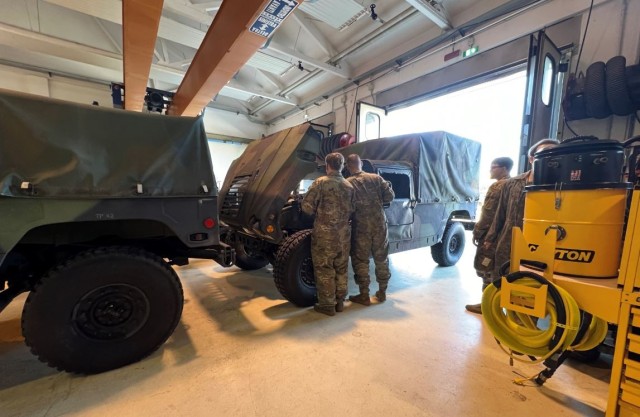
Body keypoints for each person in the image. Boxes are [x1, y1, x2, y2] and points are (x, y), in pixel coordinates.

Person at [480, 139, 559, 290]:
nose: (550, 158)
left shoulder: (564, 186)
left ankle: (525, 311)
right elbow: (500, 213)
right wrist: (490, 238)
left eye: (554, 154)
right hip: (509, 241)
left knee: (534, 281)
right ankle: (493, 305)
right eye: (544, 154)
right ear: (531, 159)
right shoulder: (513, 183)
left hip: (544, 245)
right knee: (501, 276)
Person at [301, 152, 355, 316]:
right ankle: (339, 302)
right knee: (341, 268)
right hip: (343, 235)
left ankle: (327, 305)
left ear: (327, 166)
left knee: (325, 269)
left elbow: (307, 208)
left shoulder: (320, 183)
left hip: (325, 236)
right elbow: (352, 209)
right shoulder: (349, 186)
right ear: (342, 166)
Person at [465, 156, 513, 314]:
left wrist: (478, 232)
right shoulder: (514, 184)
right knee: (501, 270)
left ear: (504, 168)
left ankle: (488, 305)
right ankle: (498, 303)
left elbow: (488, 214)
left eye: (494, 167)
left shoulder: (498, 187)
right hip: (507, 236)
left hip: (492, 236)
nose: (490, 170)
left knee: (487, 269)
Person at [345, 154, 395, 305]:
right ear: (361, 163)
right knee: (381, 258)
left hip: (361, 226)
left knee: (361, 260)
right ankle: (382, 292)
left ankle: (364, 295)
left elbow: (346, 207)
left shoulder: (347, 183)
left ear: (348, 166)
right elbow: (390, 197)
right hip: (380, 224)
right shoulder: (376, 178)